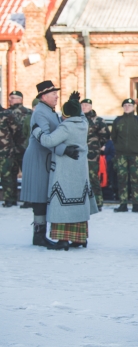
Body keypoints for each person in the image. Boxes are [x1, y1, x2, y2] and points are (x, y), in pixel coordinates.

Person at [31, 93, 98, 250]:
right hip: (80, 170)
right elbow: (79, 113)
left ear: (66, 114)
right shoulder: (83, 122)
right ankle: (79, 239)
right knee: (78, 202)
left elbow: (48, 141)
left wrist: (37, 131)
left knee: (62, 203)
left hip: (64, 171)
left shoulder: (66, 127)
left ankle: (63, 239)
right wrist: (74, 101)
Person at [20, 81, 80, 247]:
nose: (57, 96)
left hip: (44, 158)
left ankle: (40, 234)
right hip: (38, 158)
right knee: (39, 196)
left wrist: (73, 104)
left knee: (43, 196)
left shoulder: (48, 110)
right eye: (54, 94)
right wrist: (64, 150)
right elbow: (45, 139)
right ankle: (38, 236)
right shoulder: (40, 112)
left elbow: (60, 125)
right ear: (44, 96)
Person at [111, 98, 138, 212]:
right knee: (122, 180)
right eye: (125, 105)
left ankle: (136, 204)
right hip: (121, 155)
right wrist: (118, 147)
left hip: (135, 154)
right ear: (123, 107)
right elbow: (114, 137)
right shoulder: (118, 120)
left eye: (130, 105)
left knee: (135, 180)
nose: (127, 107)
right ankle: (123, 204)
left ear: (133, 107)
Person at [81, 99, 110, 212]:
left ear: (91, 106)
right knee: (80, 179)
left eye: (87, 105)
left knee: (93, 178)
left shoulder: (97, 120)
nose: (84, 107)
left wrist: (99, 146)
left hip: (92, 154)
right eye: (83, 105)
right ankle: (83, 201)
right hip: (79, 154)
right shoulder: (77, 119)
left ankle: (98, 202)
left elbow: (106, 134)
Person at [5, 91, 32, 207]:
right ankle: (10, 199)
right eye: (10, 98)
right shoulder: (5, 113)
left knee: (27, 175)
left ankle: (29, 199)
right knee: (9, 174)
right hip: (10, 149)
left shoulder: (29, 113)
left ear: (21, 99)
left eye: (14, 98)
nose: (11, 100)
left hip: (24, 149)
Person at [0, 108, 19, 207]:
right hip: (6, 148)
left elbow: (15, 128)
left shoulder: (7, 114)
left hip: (6, 150)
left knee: (7, 174)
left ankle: (10, 199)